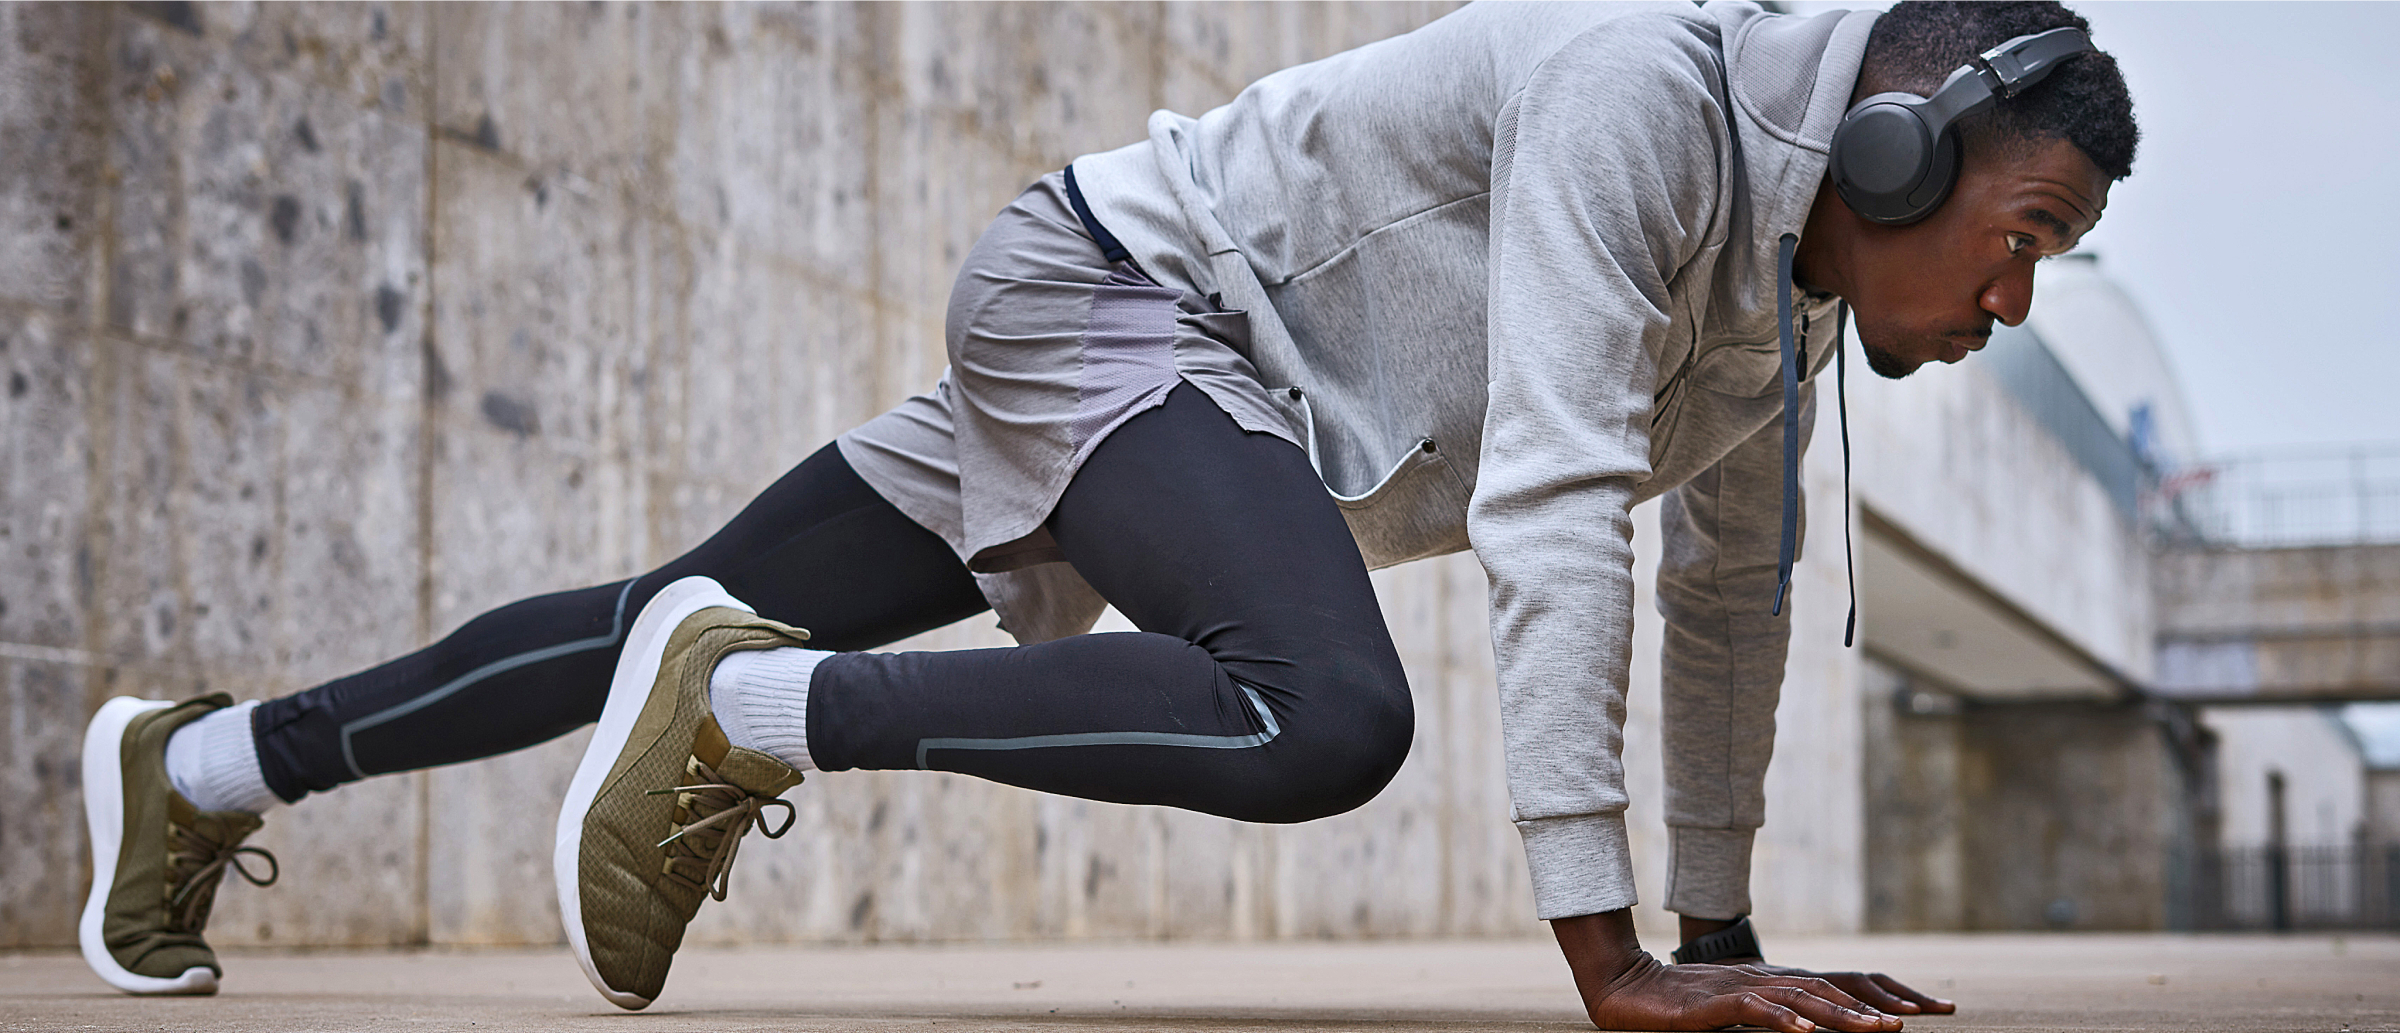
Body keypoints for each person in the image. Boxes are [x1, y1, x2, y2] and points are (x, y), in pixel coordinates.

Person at [77, 1, 2135, 1029]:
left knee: (663, 601)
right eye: (2021, 235)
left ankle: (198, 765)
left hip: (1175, 367)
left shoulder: (1774, 320)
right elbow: (1564, 505)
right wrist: (1608, 960)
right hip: (1119, 308)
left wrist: (1724, 942)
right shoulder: (1643, 106)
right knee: (1318, 712)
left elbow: (1720, 610)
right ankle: (756, 713)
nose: (2014, 292)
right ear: (1891, 146)